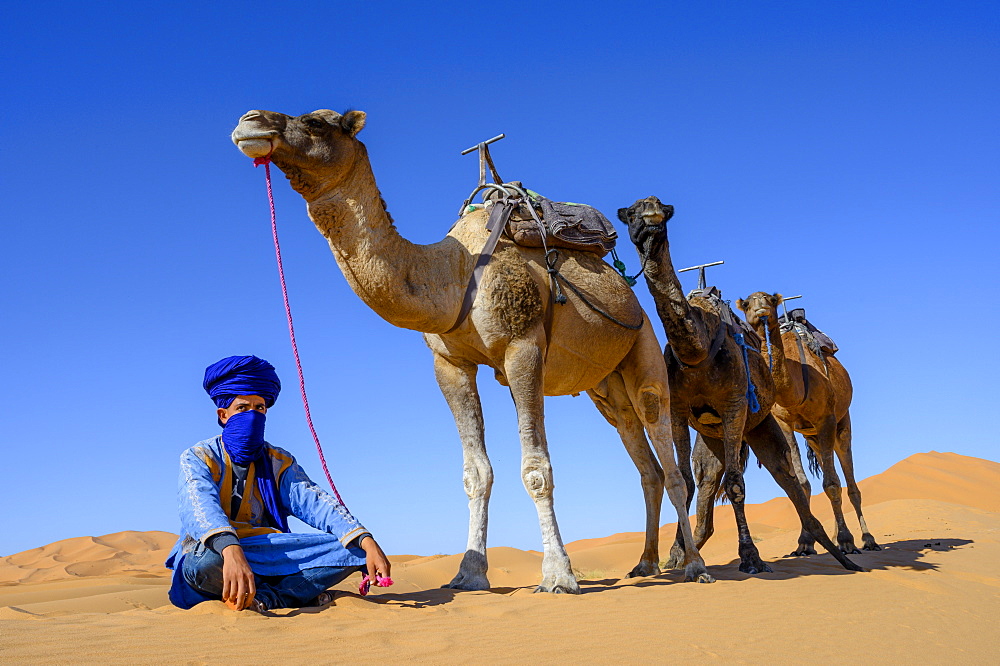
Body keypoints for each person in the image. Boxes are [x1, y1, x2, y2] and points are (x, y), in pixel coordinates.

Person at [165, 355, 390, 612]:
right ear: (223, 414)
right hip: (213, 554)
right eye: (242, 408)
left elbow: (313, 501)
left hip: (265, 552)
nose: (252, 415)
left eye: (259, 408)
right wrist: (230, 549)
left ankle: (269, 599)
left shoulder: (277, 461)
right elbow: (199, 508)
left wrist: (364, 539)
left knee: (354, 550)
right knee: (206, 563)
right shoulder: (199, 457)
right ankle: (288, 593)